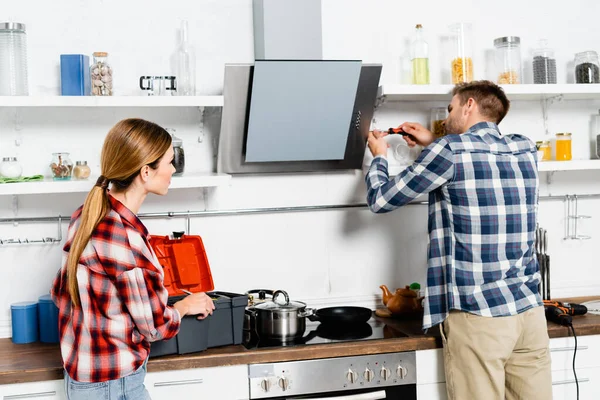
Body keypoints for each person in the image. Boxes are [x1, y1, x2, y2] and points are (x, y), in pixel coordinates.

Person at [365, 81, 551, 400]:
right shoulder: (525, 148)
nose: (447, 116)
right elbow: (478, 161)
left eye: (450, 108)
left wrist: (379, 157)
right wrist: (432, 142)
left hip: (479, 317)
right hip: (529, 315)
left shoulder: (449, 150)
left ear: (468, 106)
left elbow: (381, 200)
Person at [51, 118, 215, 399]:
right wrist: (185, 306)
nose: (173, 169)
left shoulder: (86, 214)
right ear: (146, 172)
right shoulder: (125, 237)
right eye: (169, 162)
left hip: (80, 377)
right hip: (114, 384)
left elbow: (59, 292)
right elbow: (154, 327)